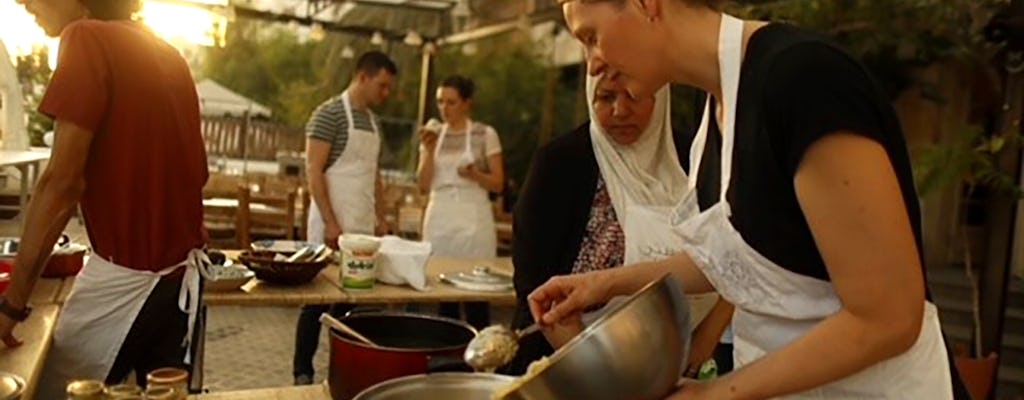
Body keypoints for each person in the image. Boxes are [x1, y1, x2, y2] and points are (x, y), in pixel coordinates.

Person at [530, 0, 970, 398]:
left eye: (591, 37)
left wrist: (714, 394)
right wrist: (604, 284)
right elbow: (746, 257)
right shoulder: (719, 105)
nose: (591, 65)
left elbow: (889, 318)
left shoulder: (804, 81)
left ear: (647, 5)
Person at [0, 0, 210, 396]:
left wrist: (13, 305)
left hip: (128, 284)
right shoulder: (167, 53)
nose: (22, 2)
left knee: (43, 387)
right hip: (181, 285)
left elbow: (62, 184)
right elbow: (196, 173)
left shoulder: (86, 38)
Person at [292, 51, 397, 385]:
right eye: (382, 85)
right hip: (330, 223)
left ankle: (345, 373)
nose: (386, 93)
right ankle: (302, 373)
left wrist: (381, 217)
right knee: (317, 301)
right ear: (362, 76)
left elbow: (374, 174)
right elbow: (313, 169)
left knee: (355, 304)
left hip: (363, 226)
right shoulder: (328, 114)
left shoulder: (373, 123)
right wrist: (330, 221)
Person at [417, 75, 504, 329]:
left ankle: (482, 357)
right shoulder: (432, 136)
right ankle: (447, 354)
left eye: (451, 102)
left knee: (477, 294)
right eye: (440, 102)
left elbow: (498, 183)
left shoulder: (485, 134)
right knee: (443, 294)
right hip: (441, 217)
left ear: (467, 103)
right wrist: (429, 150)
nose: (444, 108)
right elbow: (422, 184)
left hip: (473, 219)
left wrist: (475, 174)